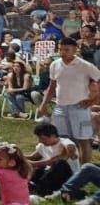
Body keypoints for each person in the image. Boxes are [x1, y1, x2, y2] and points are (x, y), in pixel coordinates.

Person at [38, 37, 100, 165]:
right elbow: (52, 86)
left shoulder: (85, 66)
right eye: (60, 49)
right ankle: (69, 167)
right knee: (63, 140)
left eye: (66, 49)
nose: (62, 52)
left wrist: (92, 100)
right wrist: (44, 104)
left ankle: (85, 169)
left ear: (75, 50)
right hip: (60, 106)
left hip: (79, 107)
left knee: (83, 140)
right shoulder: (55, 65)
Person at [26, 122, 79, 196]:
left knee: (60, 164)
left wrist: (32, 163)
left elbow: (54, 161)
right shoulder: (42, 145)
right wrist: (16, 154)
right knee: (40, 169)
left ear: (53, 135)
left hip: (68, 177)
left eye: (42, 138)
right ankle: (32, 186)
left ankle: (39, 189)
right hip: (50, 175)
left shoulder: (67, 144)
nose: (40, 141)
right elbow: (32, 157)